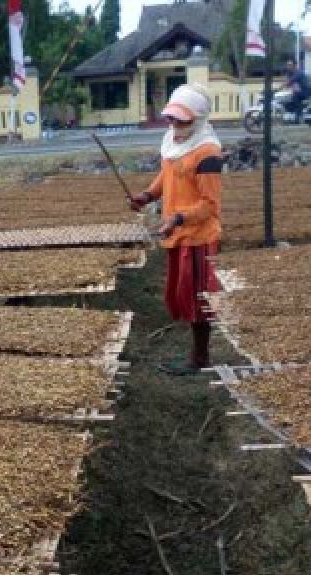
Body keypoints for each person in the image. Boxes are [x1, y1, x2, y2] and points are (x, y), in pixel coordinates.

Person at [129, 83, 222, 375]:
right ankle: (197, 354)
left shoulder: (207, 153)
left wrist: (179, 218)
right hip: (178, 234)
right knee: (185, 295)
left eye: (182, 120)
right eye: (172, 118)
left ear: (199, 119)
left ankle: (200, 358)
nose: (175, 125)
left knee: (199, 298)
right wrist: (147, 195)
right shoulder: (173, 141)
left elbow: (210, 205)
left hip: (198, 237)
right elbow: (166, 174)